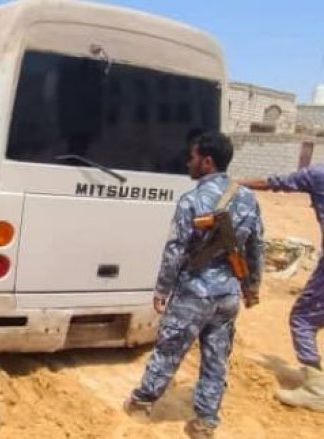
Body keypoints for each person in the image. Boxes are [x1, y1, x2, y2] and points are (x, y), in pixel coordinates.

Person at [123, 133, 264, 438]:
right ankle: (205, 423)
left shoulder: (192, 200)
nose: (189, 162)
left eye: (193, 156)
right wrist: (251, 287)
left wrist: (162, 290)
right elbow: (255, 247)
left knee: (169, 349)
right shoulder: (248, 198)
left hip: (193, 293)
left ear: (207, 161)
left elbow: (175, 250)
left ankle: (142, 403)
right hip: (227, 295)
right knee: (216, 358)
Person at [238, 168, 324, 411]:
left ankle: (317, 389)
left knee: (302, 318)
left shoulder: (318, 174)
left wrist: (232, 183)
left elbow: (273, 182)